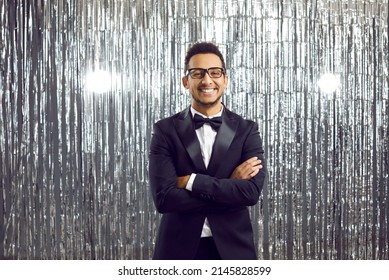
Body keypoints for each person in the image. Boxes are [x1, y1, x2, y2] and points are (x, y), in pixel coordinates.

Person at [148, 42, 266, 260]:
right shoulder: (165, 130)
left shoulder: (247, 130)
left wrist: (192, 182)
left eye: (215, 72)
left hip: (234, 251)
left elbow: (250, 193)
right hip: (177, 251)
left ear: (225, 80)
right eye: (197, 73)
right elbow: (164, 199)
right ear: (186, 81)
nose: (207, 80)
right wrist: (229, 185)